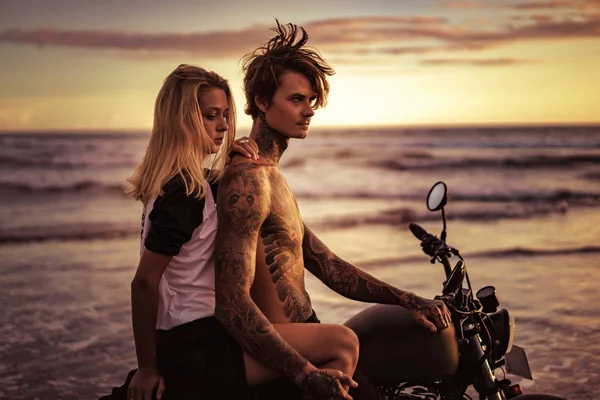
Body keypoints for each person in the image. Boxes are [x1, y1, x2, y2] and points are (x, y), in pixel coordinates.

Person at [213, 21, 456, 400]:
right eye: (296, 99)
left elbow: (328, 265)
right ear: (262, 101)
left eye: (311, 101)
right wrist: (304, 373)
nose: (308, 111)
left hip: (310, 336)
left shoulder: (272, 177)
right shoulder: (248, 178)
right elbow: (231, 302)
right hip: (281, 355)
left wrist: (405, 298)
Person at [100, 63, 359, 400]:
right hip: (198, 346)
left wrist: (234, 163)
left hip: (196, 337)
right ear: (182, 119)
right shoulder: (185, 193)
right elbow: (144, 282)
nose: (223, 125)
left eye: (225, 114)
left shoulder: (184, 182)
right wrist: (147, 368)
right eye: (210, 116)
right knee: (342, 342)